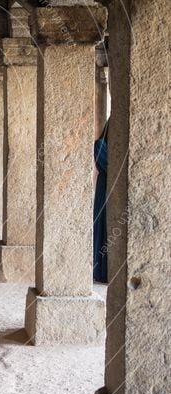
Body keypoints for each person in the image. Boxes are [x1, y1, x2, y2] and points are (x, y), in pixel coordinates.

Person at [93, 119, 109, 283]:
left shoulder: (101, 146)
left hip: (105, 186)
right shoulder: (101, 146)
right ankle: (103, 270)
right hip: (106, 187)